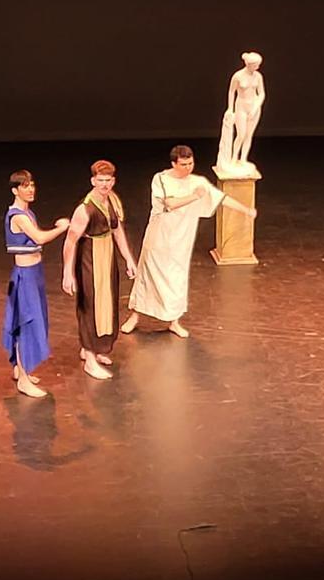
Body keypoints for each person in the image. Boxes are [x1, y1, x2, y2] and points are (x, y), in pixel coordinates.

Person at [123, 145, 255, 338]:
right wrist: (195, 196)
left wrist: (246, 210)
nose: (187, 168)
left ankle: (174, 321)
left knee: (177, 277)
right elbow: (170, 204)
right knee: (148, 275)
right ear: (174, 164)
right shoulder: (161, 179)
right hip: (159, 237)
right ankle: (135, 316)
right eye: (183, 164)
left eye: (190, 163)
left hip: (181, 240)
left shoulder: (198, 181)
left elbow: (221, 199)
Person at [62, 160, 137, 379]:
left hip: (107, 256)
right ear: (93, 180)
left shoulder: (112, 201)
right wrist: (68, 272)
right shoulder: (84, 209)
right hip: (89, 258)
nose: (104, 185)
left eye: (108, 181)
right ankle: (90, 359)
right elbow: (70, 241)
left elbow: (117, 231)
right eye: (100, 181)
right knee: (91, 305)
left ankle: (92, 349)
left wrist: (128, 259)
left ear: (113, 181)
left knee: (107, 302)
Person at [1, 170, 70, 399]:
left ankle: (22, 370)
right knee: (26, 323)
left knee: (31, 319)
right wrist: (61, 228)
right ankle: (22, 378)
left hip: (35, 272)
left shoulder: (27, 212)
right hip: (25, 275)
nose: (30, 189)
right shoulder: (18, 216)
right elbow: (39, 238)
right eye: (25, 186)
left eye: (31, 185)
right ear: (15, 190)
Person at [216, 51, 266, 174]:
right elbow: (231, 92)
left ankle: (243, 158)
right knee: (241, 134)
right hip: (241, 106)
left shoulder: (258, 76)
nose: (257, 67)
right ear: (249, 64)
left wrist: (256, 107)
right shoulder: (238, 76)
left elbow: (262, 93)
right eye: (256, 65)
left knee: (249, 135)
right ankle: (234, 157)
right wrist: (230, 108)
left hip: (253, 107)